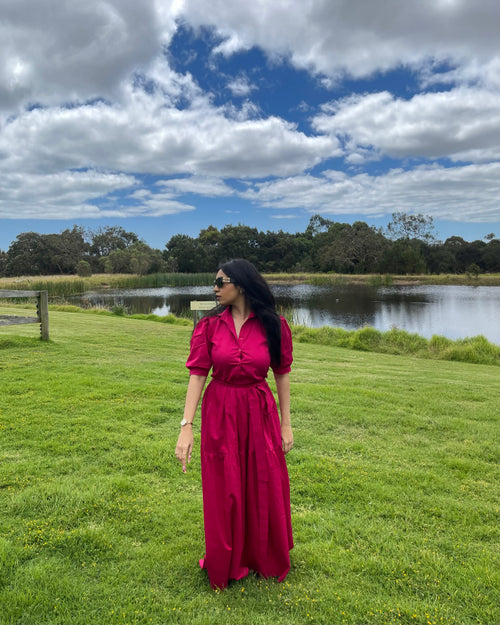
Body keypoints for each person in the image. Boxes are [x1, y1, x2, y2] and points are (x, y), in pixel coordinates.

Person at [175, 258, 294, 589]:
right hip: (221, 413)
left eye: (220, 282)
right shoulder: (209, 327)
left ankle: (263, 557)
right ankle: (227, 559)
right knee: (225, 486)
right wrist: (187, 425)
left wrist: (286, 423)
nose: (214, 288)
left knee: (263, 481)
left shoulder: (273, 325)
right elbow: (198, 374)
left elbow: (282, 373)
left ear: (240, 284)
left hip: (260, 412)